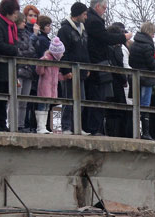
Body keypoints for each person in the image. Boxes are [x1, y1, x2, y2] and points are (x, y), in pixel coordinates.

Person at [83, 0, 131, 136]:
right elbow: (105, 37)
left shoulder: (90, 20)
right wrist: (123, 37)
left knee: (95, 96)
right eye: (104, 8)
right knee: (97, 96)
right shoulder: (94, 21)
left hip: (94, 61)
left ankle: (92, 127)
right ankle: (93, 128)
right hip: (97, 62)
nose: (105, 10)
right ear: (97, 6)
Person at [0, 0, 21, 131]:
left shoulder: (11, 26)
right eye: (15, 12)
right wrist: (14, 50)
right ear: (8, 12)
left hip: (8, 68)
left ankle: (2, 121)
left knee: (5, 96)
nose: (16, 15)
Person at [57, 2, 88, 134]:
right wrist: (65, 70)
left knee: (81, 99)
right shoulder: (64, 30)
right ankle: (66, 127)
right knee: (69, 98)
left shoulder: (83, 29)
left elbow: (85, 50)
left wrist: (87, 67)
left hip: (81, 69)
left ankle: (77, 126)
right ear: (79, 14)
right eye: (85, 14)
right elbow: (63, 52)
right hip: (70, 70)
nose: (86, 17)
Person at [128, 20, 155, 140]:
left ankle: (135, 131)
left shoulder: (135, 44)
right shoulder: (147, 45)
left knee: (136, 105)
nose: (154, 35)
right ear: (150, 32)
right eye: (153, 33)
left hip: (135, 78)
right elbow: (151, 63)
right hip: (146, 79)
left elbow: (131, 62)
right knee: (145, 106)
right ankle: (145, 132)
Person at [34, 36, 65, 133]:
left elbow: (56, 76)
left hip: (52, 88)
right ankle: (40, 127)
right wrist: (42, 63)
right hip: (45, 87)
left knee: (47, 107)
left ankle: (44, 127)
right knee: (42, 106)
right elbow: (39, 71)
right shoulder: (46, 58)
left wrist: (64, 77)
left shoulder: (56, 62)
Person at [104, 22, 129, 137]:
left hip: (111, 81)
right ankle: (116, 134)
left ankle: (113, 133)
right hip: (115, 82)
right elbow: (119, 66)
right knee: (116, 111)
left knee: (113, 111)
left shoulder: (109, 48)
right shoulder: (115, 49)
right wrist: (124, 80)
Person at [14, 12, 37, 132]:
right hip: (17, 71)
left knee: (24, 102)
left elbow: (32, 50)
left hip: (28, 71)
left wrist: (25, 52)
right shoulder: (13, 34)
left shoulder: (27, 35)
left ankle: (21, 125)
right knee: (15, 99)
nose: (25, 23)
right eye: (23, 21)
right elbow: (16, 51)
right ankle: (13, 123)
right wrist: (25, 52)